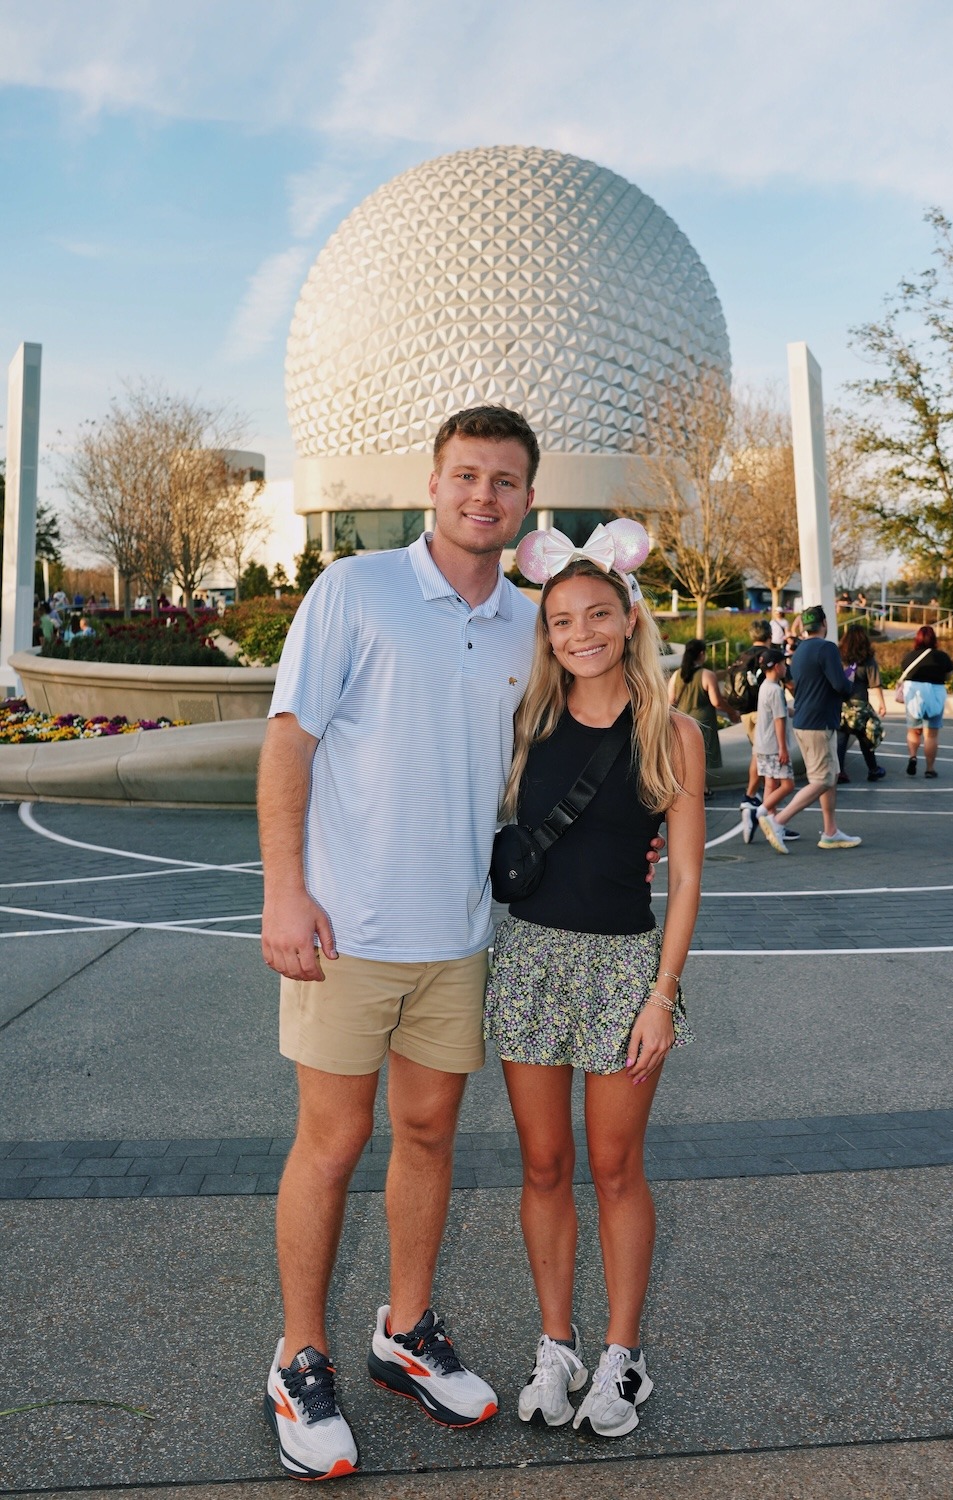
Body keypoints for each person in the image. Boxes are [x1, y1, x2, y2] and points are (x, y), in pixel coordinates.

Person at [257, 408, 663, 1479]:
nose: (485, 495)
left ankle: (405, 1330)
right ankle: (299, 1358)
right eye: (468, 475)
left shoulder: (531, 624)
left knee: (429, 1135)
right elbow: (289, 740)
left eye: (505, 481)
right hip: (346, 927)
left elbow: (584, 732)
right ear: (433, 484)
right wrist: (284, 892)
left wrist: (637, 822)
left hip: (461, 935)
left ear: (528, 502)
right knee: (332, 1144)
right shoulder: (355, 590)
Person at [484, 525, 704, 1439]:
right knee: (543, 1164)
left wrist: (662, 995)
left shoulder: (671, 732)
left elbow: (686, 879)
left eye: (598, 615)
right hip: (529, 962)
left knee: (615, 1167)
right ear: (546, 633)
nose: (581, 633)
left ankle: (623, 1356)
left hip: (624, 970)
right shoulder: (523, 724)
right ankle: (556, 1346)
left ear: (629, 619)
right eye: (562, 620)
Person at [756, 605, 861, 853]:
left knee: (830, 776)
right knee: (823, 779)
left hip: (804, 720)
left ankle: (830, 831)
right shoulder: (827, 648)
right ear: (824, 623)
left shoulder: (800, 650)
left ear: (804, 626)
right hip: (819, 722)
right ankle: (778, 821)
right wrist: (850, 681)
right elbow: (840, 685)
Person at [741, 648, 799, 844]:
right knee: (788, 785)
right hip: (774, 746)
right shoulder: (775, 690)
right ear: (776, 667)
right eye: (783, 664)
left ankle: (772, 824)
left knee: (771, 784)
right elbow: (778, 720)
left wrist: (794, 711)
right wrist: (783, 748)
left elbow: (778, 712)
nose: (786, 667)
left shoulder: (765, 686)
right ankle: (759, 812)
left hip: (762, 745)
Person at [667, 639, 740, 793]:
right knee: (700, 757)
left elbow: (671, 701)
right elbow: (716, 702)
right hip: (702, 721)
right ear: (701, 654)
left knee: (686, 756)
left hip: (683, 721)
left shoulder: (677, 675)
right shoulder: (707, 675)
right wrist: (731, 712)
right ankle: (702, 788)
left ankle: (691, 787)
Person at [900, 625, 953, 779]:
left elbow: (904, 673)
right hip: (935, 695)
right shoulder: (942, 657)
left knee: (913, 731)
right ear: (934, 639)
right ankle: (930, 769)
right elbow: (949, 676)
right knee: (931, 735)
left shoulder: (909, 656)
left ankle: (913, 757)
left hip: (914, 696)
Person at [836, 624, 886, 783]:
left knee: (841, 738)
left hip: (842, 703)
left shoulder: (838, 656)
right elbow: (875, 684)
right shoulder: (868, 660)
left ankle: (839, 772)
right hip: (860, 705)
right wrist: (882, 703)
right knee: (865, 737)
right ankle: (873, 769)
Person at [731, 619, 773, 805]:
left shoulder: (743, 656)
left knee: (758, 752)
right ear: (769, 635)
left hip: (745, 711)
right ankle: (750, 795)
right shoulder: (769, 656)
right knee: (759, 753)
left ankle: (760, 792)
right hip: (762, 712)